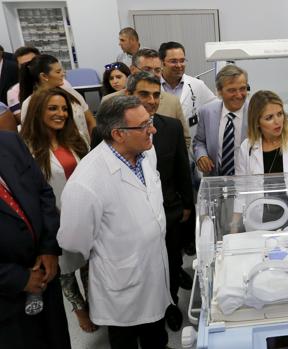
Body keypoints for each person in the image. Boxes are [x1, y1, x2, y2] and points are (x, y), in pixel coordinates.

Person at [57, 95, 171, 349]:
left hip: (153, 267)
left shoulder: (145, 153)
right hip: (121, 281)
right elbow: (74, 242)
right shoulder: (86, 182)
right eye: (144, 125)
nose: (152, 129)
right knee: (125, 339)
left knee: (156, 333)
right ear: (118, 134)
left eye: (149, 121)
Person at [20, 87, 96, 332]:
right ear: (37, 111)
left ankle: (95, 305)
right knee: (64, 271)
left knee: (89, 264)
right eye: (53, 108)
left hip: (82, 216)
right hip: (52, 221)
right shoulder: (26, 148)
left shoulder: (72, 139)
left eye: (64, 109)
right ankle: (80, 310)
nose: (61, 114)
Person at [124, 71, 193, 331]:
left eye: (156, 95)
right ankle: (145, 315)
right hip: (132, 218)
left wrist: (187, 205)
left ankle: (171, 305)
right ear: (129, 95)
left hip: (169, 212)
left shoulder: (170, 127)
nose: (152, 100)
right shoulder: (110, 131)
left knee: (172, 263)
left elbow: (181, 170)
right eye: (144, 94)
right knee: (142, 269)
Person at [0, 130, 71, 348]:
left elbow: (43, 192)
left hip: (45, 277)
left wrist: (49, 248)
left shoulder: (9, 141)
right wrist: (18, 279)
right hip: (6, 300)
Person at [102, 48, 190, 149]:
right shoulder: (109, 102)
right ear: (133, 70)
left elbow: (184, 140)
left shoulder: (172, 102)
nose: (152, 74)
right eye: (147, 69)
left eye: (157, 70)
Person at [19, 54, 95, 141]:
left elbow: (90, 120)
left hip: (85, 148)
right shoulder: (30, 103)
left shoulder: (71, 92)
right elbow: (31, 136)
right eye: (58, 72)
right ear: (44, 76)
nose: (63, 74)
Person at [193, 64, 249, 176]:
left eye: (243, 89)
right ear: (219, 91)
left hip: (248, 180)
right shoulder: (206, 112)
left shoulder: (256, 112)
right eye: (232, 90)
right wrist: (201, 155)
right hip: (216, 180)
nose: (239, 95)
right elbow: (199, 142)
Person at [159, 41, 216, 139]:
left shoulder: (197, 85)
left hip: (191, 147)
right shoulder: (153, 87)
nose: (179, 65)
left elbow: (215, 109)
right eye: (173, 61)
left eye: (182, 60)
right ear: (162, 62)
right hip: (163, 145)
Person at [7, 47, 74, 123]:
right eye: (23, 66)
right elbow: (25, 121)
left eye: (32, 62)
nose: (28, 68)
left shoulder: (62, 83)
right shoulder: (14, 92)